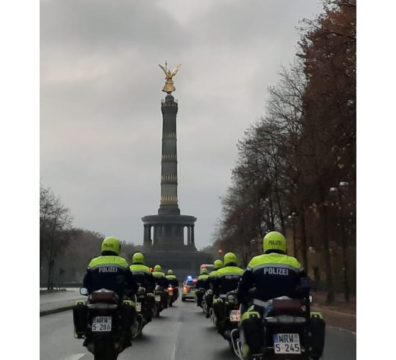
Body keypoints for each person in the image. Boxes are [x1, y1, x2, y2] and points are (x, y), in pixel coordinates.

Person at [236, 231, 312, 358]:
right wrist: (299, 297)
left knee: (249, 320)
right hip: (290, 307)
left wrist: (242, 298)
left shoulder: (255, 262)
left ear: (266, 245)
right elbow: (305, 285)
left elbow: (244, 286)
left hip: (262, 306)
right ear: (283, 245)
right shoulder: (294, 262)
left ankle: (252, 351)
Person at [73, 236, 138, 349]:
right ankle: (126, 331)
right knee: (129, 306)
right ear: (117, 248)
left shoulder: (93, 262)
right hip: (115, 299)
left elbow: (86, 282)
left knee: (81, 305)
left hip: (95, 300)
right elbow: (131, 282)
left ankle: (82, 330)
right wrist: (130, 291)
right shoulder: (122, 262)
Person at [212, 252, 244, 336]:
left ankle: (221, 322)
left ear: (225, 261)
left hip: (224, 300)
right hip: (238, 299)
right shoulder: (242, 272)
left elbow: (215, 287)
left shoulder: (219, 272)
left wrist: (217, 294)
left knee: (216, 304)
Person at [129, 252, 156, 322]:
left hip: (133, 293)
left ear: (133, 259)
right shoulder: (147, 269)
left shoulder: (129, 269)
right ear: (142, 259)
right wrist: (150, 290)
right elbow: (152, 282)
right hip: (144, 293)